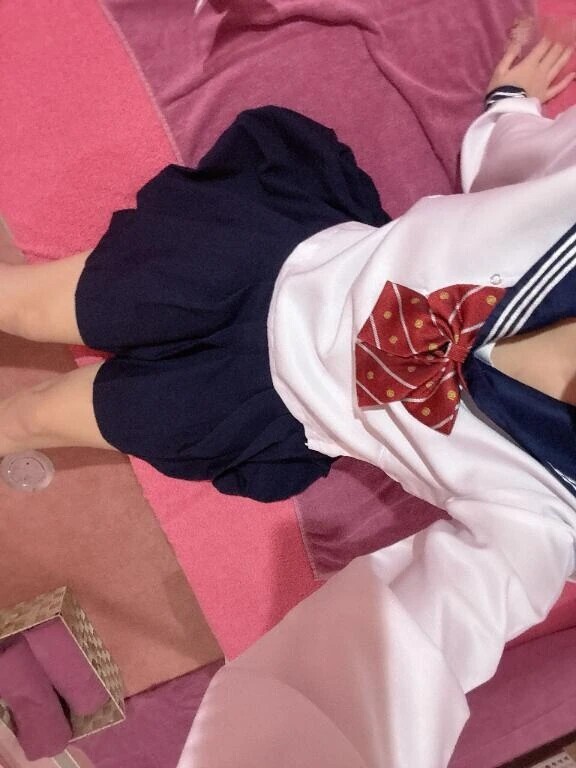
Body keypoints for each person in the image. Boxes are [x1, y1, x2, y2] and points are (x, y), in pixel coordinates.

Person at [0, 38, 575, 510]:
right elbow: (528, 190)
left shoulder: (556, 513)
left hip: (263, 409)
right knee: (21, 306)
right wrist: (511, 108)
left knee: (29, 418)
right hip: (277, 264)